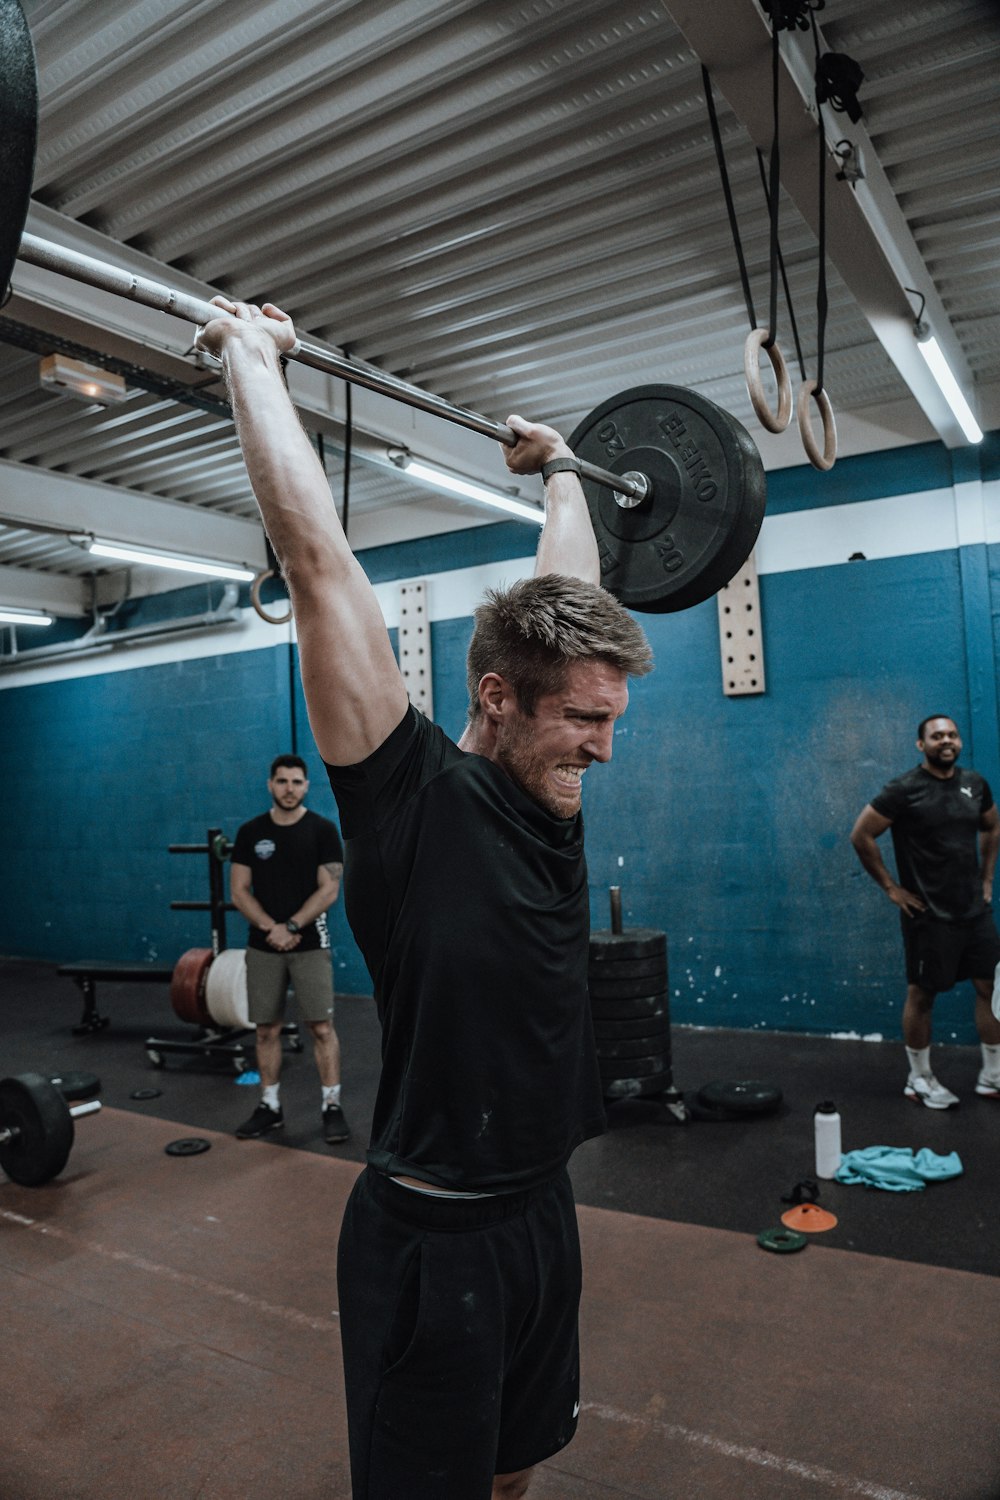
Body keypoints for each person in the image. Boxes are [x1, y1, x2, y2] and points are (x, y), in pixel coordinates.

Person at [194, 297, 652, 1500]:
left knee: (518, 1472)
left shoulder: (545, 792)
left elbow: (567, 597)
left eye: (611, 721)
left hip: (540, 1212)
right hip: (430, 1233)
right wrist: (252, 360)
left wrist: (559, 476)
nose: (603, 751)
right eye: (583, 723)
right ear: (497, 699)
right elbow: (318, 567)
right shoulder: (409, 801)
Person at [850, 714, 1000, 1108]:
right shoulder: (903, 790)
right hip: (929, 914)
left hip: (974, 912)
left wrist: (986, 880)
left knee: (991, 988)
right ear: (921, 745)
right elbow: (861, 834)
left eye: (951, 734)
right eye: (936, 736)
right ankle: (919, 1078)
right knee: (923, 995)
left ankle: (992, 1075)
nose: (945, 741)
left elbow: (991, 827)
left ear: (959, 741)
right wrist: (891, 888)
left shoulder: (974, 784)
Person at [229, 753, 349, 1144]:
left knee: (321, 1026)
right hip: (263, 946)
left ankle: (332, 1105)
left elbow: (329, 888)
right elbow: (239, 891)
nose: (289, 789)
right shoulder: (250, 833)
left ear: (306, 786)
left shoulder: (322, 830)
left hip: (310, 942)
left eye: (297, 782)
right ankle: (270, 1106)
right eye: (282, 781)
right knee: (265, 1030)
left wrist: (293, 925)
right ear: (270, 784)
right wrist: (272, 929)